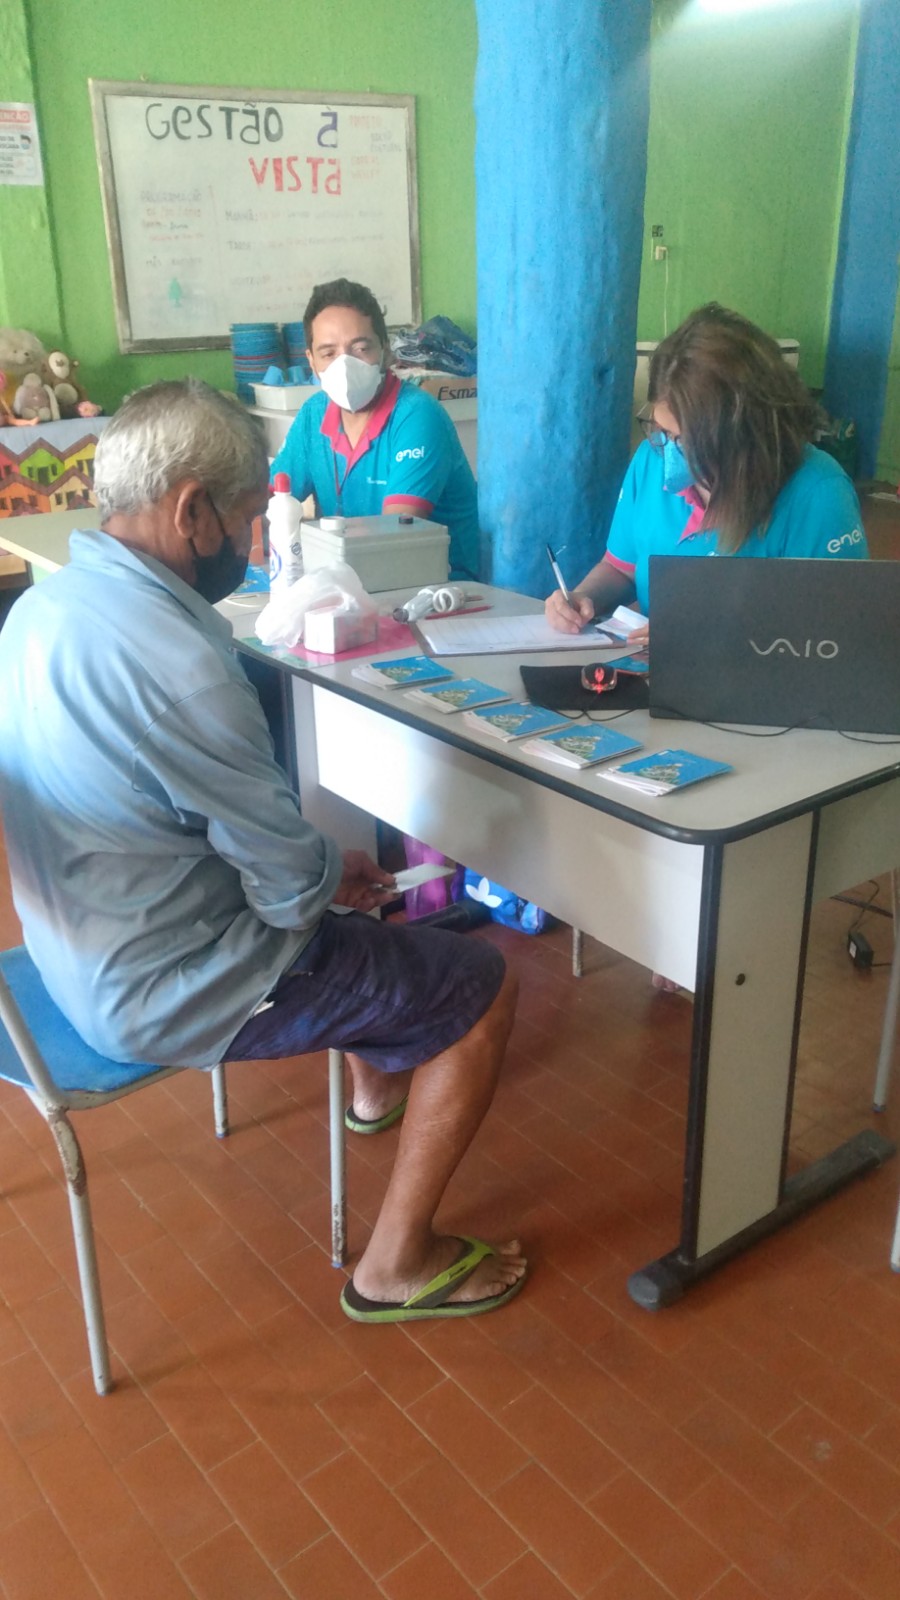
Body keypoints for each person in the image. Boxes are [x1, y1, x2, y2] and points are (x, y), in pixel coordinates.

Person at [0, 378, 525, 1324]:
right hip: (162, 987)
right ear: (191, 511)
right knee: (480, 988)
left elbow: (212, 830)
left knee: (353, 929)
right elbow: (287, 897)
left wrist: (317, 869)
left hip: (66, 948)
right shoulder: (185, 669)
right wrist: (322, 874)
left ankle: (375, 1090)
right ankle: (396, 1264)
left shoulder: (40, 611)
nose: (251, 543)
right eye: (247, 519)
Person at [546, 301, 867, 643]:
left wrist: (708, 641)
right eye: (662, 432)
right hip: (651, 668)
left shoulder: (818, 493)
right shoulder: (650, 460)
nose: (668, 453)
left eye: (685, 440)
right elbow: (621, 568)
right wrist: (583, 599)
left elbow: (836, 635)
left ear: (743, 433)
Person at [271, 277, 481, 581]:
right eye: (328, 353)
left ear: (385, 350)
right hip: (354, 581)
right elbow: (268, 499)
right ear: (311, 362)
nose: (344, 365)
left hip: (438, 590)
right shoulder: (313, 415)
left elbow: (393, 538)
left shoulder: (417, 415)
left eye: (360, 348)